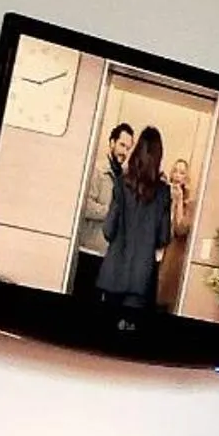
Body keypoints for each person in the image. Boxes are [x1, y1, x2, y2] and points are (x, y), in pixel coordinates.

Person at [96, 127, 175, 308]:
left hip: (113, 274)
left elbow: (108, 230)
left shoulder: (121, 183)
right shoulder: (163, 192)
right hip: (141, 279)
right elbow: (163, 238)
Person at [72, 123, 134, 298]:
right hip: (89, 251)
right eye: (122, 145)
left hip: (109, 256)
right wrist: (113, 212)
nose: (124, 152)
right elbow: (85, 207)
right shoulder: (97, 170)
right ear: (112, 142)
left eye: (128, 148)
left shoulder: (124, 176)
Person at [155, 158, 196, 310]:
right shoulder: (161, 195)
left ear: (186, 178)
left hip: (170, 260)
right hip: (153, 254)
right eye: (175, 171)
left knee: (162, 301)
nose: (178, 175)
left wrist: (179, 202)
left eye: (182, 173)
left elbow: (180, 229)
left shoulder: (189, 205)